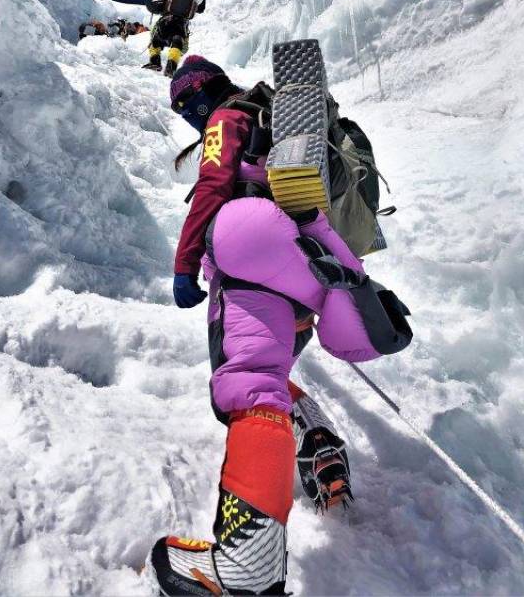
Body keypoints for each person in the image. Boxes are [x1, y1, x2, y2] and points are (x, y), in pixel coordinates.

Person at [150, 56, 371, 597]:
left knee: (249, 385)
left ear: (201, 93)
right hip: (305, 261)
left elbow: (212, 183)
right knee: (266, 378)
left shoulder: (226, 117)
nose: (185, 115)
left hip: (252, 255)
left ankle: (246, 565)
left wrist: (184, 263)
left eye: (184, 104)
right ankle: (316, 440)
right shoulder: (272, 116)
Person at [143, 0, 210, 77]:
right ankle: (171, 67)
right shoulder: (190, 2)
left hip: (166, 21)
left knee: (155, 41)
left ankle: (155, 62)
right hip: (181, 24)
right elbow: (184, 45)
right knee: (177, 41)